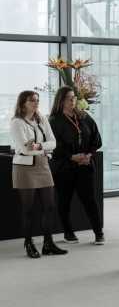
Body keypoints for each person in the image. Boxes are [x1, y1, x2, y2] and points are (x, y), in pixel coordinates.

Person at [10, 91, 68, 258]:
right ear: (23, 103)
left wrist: (36, 147)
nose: (36, 103)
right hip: (24, 168)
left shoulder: (42, 119)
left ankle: (48, 243)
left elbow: (53, 143)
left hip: (43, 166)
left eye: (37, 100)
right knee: (28, 208)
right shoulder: (17, 123)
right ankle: (28, 243)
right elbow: (24, 150)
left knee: (49, 205)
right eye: (32, 100)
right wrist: (44, 149)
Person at [49, 86, 105, 245]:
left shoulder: (84, 117)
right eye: (69, 98)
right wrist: (72, 157)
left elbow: (96, 139)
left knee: (89, 199)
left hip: (86, 164)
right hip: (64, 166)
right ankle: (68, 232)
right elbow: (55, 145)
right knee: (65, 200)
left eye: (74, 97)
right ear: (61, 100)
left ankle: (98, 232)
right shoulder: (54, 121)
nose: (73, 100)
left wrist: (88, 155)